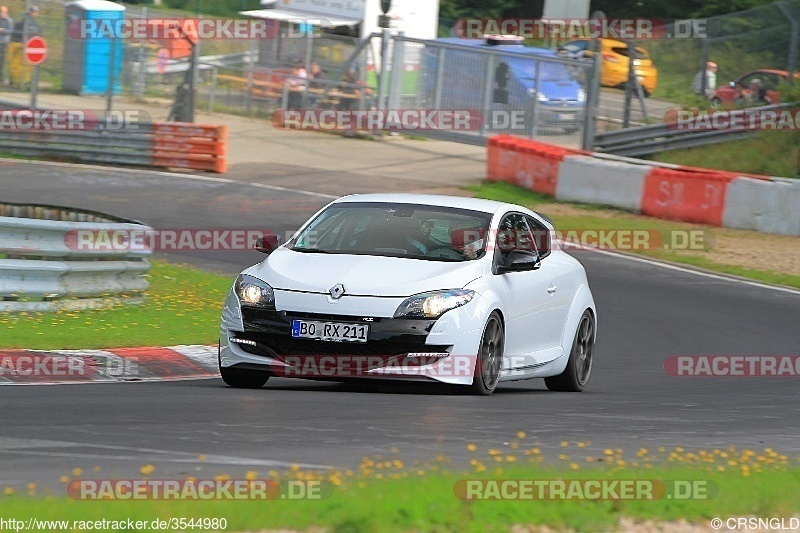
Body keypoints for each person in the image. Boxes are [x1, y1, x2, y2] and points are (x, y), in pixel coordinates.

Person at [0, 6, 13, 84]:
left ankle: (1, 78)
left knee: (1, 61)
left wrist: (2, 30)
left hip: (3, 43)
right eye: (1, 12)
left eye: (3, 12)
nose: (2, 14)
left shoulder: (9, 21)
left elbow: (10, 31)